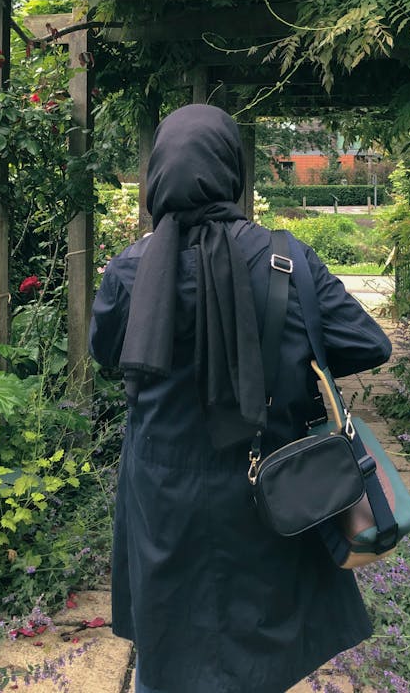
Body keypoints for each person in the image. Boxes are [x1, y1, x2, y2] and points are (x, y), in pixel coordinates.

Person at [89, 104, 392, 693]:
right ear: (234, 169)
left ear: (157, 175)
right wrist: (285, 361)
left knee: (165, 643)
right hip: (267, 481)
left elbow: (106, 355)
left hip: (160, 490)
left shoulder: (130, 269)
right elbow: (367, 343)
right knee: (260, 649)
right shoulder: (287, 259)